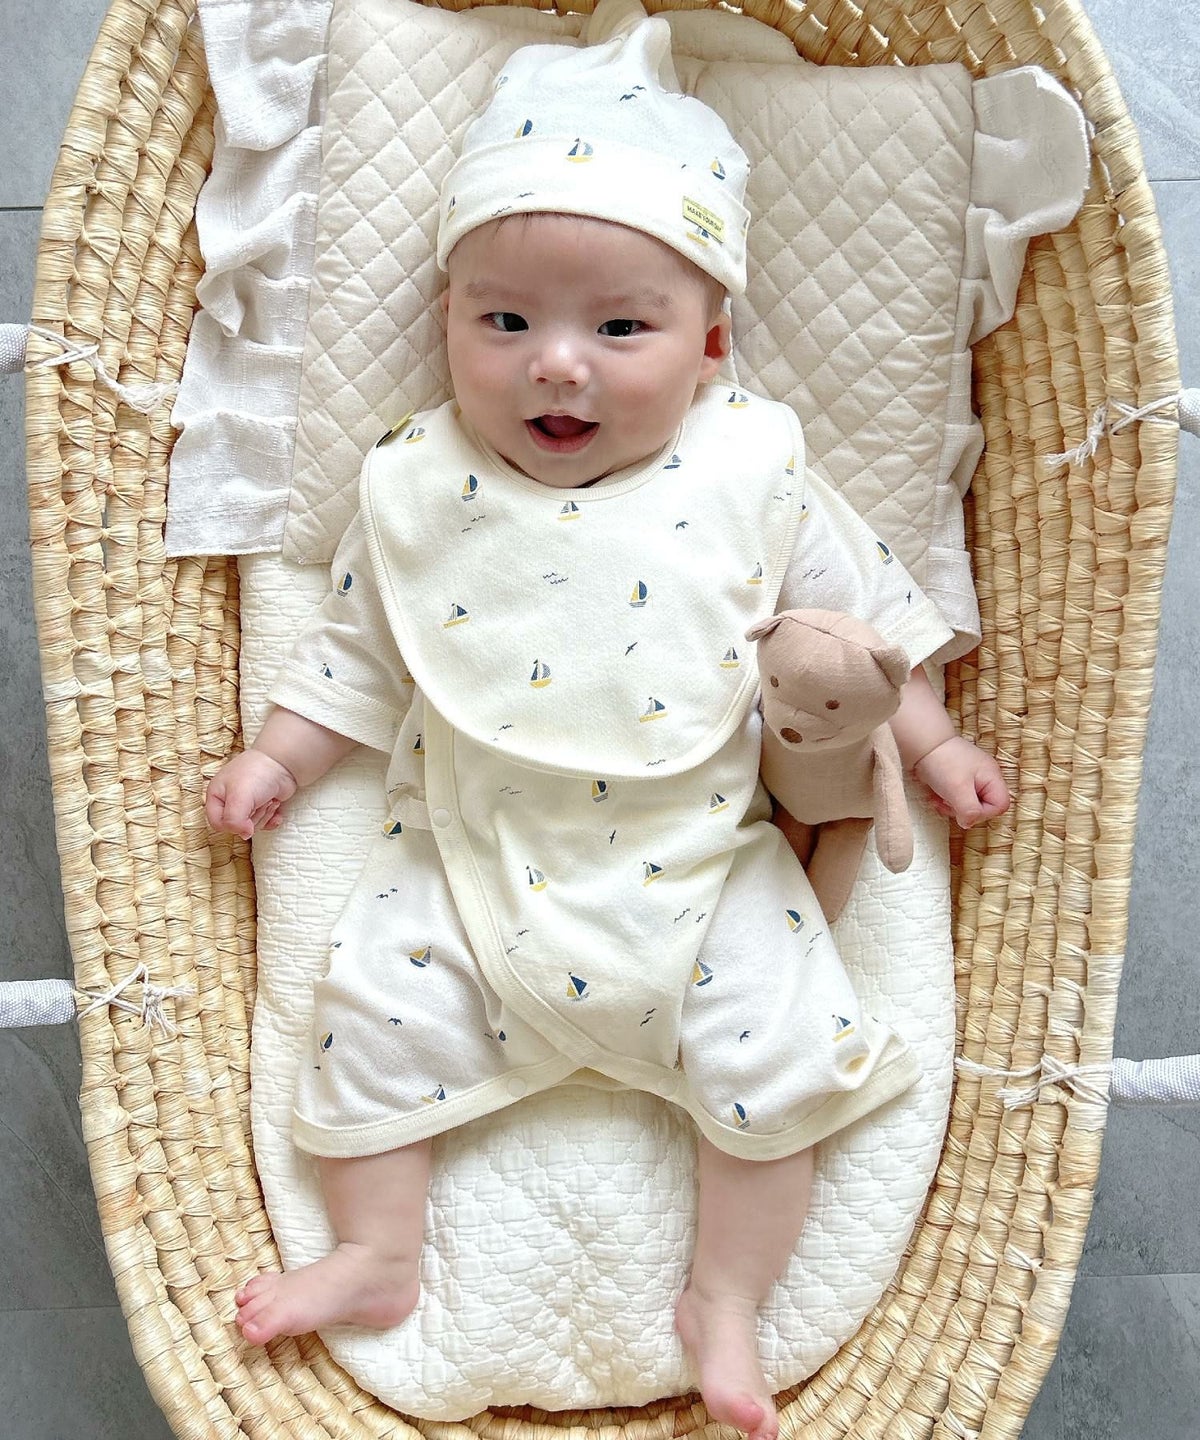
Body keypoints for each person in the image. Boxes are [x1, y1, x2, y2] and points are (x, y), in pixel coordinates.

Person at [205, 5, 1010, 1437]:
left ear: (712, 343)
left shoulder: (752, 468)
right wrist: (280, 756)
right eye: (504, 321)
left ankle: (727, 1298)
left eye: (619, 327)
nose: (556, 365)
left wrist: (936, 746)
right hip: (475, 869)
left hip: (701, 869)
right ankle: (381, 1255)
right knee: (372, 1012)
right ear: (447, 322)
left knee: (785, 1046)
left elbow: (854, 634)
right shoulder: (420, 484)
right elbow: (360, 654)